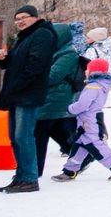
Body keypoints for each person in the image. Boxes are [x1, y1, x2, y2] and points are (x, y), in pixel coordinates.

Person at [0, 3, 58, 191]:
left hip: (28, 93)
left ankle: (30, 177)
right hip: (17, 93)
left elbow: (36, 64)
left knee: (24, 136)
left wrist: (17, 84)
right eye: (17, 19)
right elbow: (14, 63)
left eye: (24, 17)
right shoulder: (25, 36)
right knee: (14, 137)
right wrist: (1, 58)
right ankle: (21, 175)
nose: (20, 21)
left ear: (35, 17)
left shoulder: (42, 34)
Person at [54, 58, 111, 181]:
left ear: (94, 71)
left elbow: (82, 104)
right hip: (87, 121)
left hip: (88, 122)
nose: (86, 71)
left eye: (88, 69)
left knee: (94, 145)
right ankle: (69, 171)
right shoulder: (101, 85)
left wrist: (70, 109)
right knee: (79, 146)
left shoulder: (93, 86)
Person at [33, 22, 87, 171]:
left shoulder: (67, 53)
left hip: (56, 97)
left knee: (39, 132)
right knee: (56, 130)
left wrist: (34, 76)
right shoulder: (55, 52)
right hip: (50, 96)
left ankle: (36, 169)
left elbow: (53, 76)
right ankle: (82, 155)